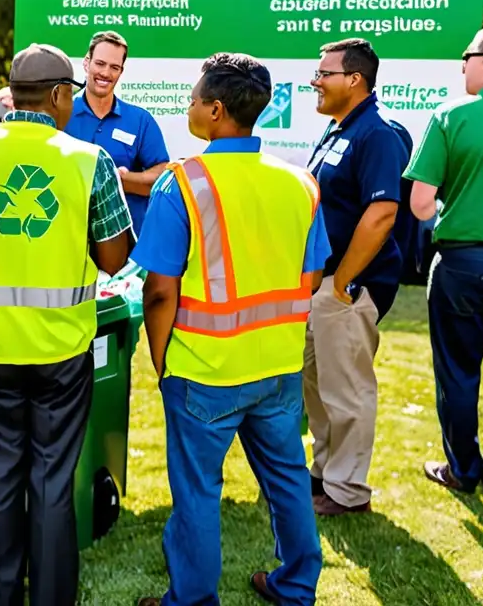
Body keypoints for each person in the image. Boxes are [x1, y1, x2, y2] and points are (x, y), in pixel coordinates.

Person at [0, 43, 132, 606]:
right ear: (62, 95)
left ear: (12, 97)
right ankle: (52, 596)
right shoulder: (89, 160)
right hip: (62, 348)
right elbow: (115, 258)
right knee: (51, 478)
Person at [134, 53, 328, 606]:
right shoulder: (300, 182)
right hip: (279, 365)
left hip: (204, 368)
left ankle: (192, 599)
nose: (190, 106)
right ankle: (296, 586)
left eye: (195, 99)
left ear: (216, 111)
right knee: (288, 480)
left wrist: (161, 358)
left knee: (197, 492)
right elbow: (310, 275)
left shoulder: (184, 183)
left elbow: (159, 291)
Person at [404, 26, 483, 497]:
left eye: (466, 56)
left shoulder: (451, 115)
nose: (462, 66)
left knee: (458, 371)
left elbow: (420, 203)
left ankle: (463, 470)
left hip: (464, 263)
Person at [303, 38, 409, 516]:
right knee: (319, 385)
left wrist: (342, 282)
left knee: (346, 389)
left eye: (324, 73)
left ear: (355, 80)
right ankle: (324, 474)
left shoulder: (379, 133)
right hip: (323, 284)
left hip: (350, 287)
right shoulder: (336, 129)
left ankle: (347, 493)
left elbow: (382, 213)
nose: (315, 80)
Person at [64, 30, 169, 237]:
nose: (106, 73)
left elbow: (162, 175)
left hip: (124, 246)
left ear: (121, 71)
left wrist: (122, 181)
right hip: (70, 237)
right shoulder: (62, 114)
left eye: (114, 67)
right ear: (87, 63)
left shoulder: (140, 120)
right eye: (100, 64)